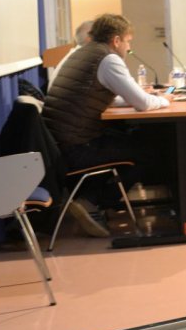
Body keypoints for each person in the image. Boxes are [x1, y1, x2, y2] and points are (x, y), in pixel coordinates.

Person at [44, 13, 170, 235]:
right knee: (150, 151)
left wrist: (141, 98)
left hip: (60, 142)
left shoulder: (80, 53)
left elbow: (108, 96)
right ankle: (91, 202)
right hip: (77, 147)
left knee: (129, 138)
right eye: (128, 41)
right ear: (116, 40)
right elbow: (142, 103)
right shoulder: (108, 59)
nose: (129, 47)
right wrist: (164, 100)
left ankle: (91, 200)